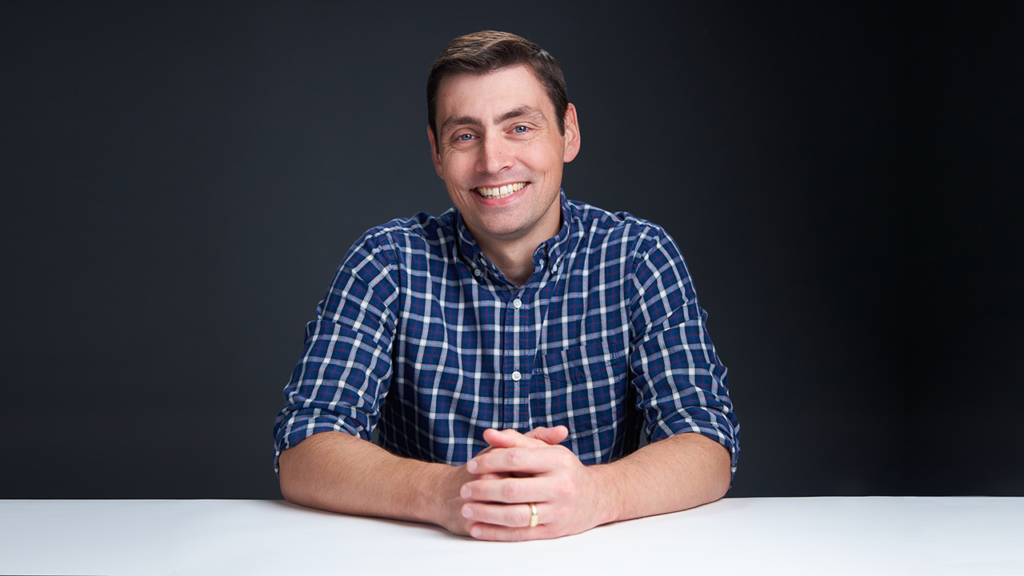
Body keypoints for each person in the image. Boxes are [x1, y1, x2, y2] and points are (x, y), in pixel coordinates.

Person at [273, 30, 739, 542]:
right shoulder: (387, 262)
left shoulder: (638, 256)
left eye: (519, 127)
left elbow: (705, 441)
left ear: (569, 133)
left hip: (599, 560)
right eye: (465, 135)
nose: (493, 161)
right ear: (436, 152)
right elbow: (305, 447)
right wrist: (449, 491)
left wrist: (597, 494)